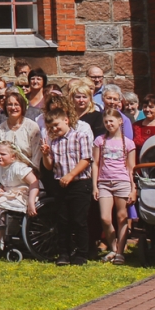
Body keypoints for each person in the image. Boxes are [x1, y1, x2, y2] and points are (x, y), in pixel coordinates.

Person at [41, 110, 93, 265]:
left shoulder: (80, 136)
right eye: (51, 127)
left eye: (56, 125)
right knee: (62, 221)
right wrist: (45, 154)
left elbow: (86, 159)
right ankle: (64, 253)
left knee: (79, 220)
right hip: (61, 184)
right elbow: (49, 166)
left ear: (66, 120)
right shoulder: (53, 142)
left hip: (79, 183)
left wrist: (71, 175)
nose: (54, 129)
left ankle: (81, 253)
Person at [93, 107, 135, 263]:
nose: (109, 124)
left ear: (120, 121)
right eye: (106, 122)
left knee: (122, 217)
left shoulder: (128, 143)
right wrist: (95, 185)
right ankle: (113, 248)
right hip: (104, 182)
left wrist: (133, 188)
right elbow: (95, 163)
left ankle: (120, 252)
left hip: (122, 182)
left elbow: (131, 168)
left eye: (111, 121)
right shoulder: (100, 141)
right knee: (105, 218)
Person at [0, 91, 42, 171]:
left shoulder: (32, 127)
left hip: (29, 172)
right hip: (7, 172)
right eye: (10, 104)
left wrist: (33, 173)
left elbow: (37, 155)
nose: (13, 108)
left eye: (16, 104)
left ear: (22, 107)